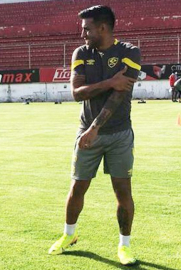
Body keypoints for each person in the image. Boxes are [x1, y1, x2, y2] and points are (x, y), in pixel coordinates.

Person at [48, 5, 140, 266]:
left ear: (103, 28)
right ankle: (69, 235)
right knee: (78, 186)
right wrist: (109, 82)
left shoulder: (129, 52)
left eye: (86, 29)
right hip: (86, 132)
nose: (82, 34)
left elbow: (120, 95)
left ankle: (124, 247)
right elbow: (77, 93)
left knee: (123, 191)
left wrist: (96, 126)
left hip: (119, 133)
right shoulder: (81, 53)